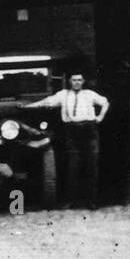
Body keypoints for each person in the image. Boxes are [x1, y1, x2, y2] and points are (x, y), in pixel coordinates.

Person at [27, 73, 109, 209]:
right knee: (73, 167)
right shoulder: (63, 94)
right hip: (72, 131)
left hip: (89, 131)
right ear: (70, 81)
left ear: (83, 81)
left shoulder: (90, 94)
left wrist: (100, 116)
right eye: (74, 80)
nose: (77, 82)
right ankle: (71, 201)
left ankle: (92, 202)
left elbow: (105, 102)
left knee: (91, 166)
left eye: (79, 80)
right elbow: (46, 102)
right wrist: (28, 106)